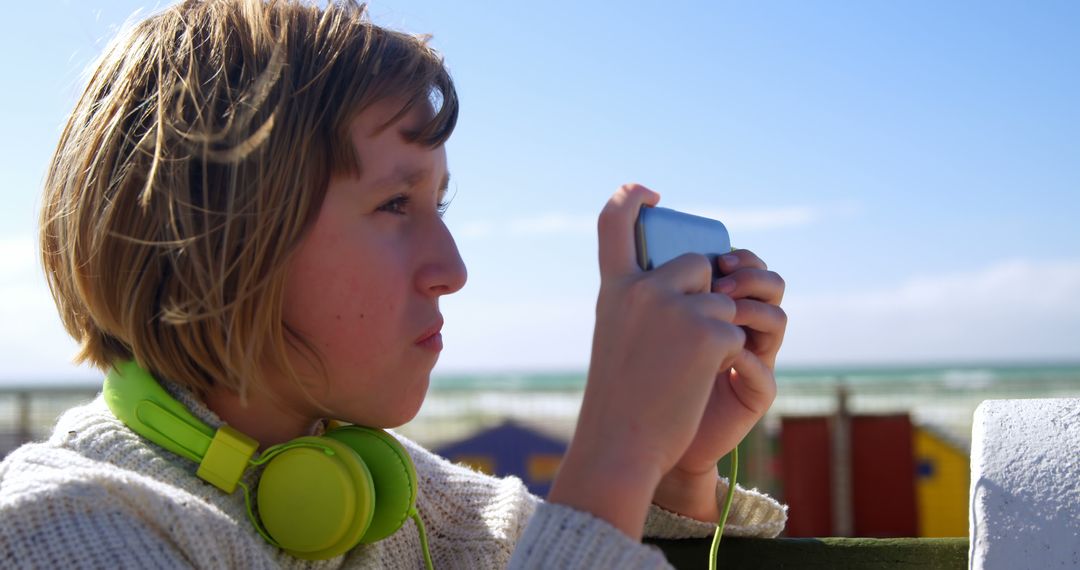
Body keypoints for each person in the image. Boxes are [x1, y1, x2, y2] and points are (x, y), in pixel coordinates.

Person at [0, 0, 788, 567]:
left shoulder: (399, 496)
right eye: (393, 204)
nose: (452, 270)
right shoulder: (56, 527)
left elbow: (583, 544)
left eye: (437, 204)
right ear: (211, 234)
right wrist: (613, 452)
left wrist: (672, 468)